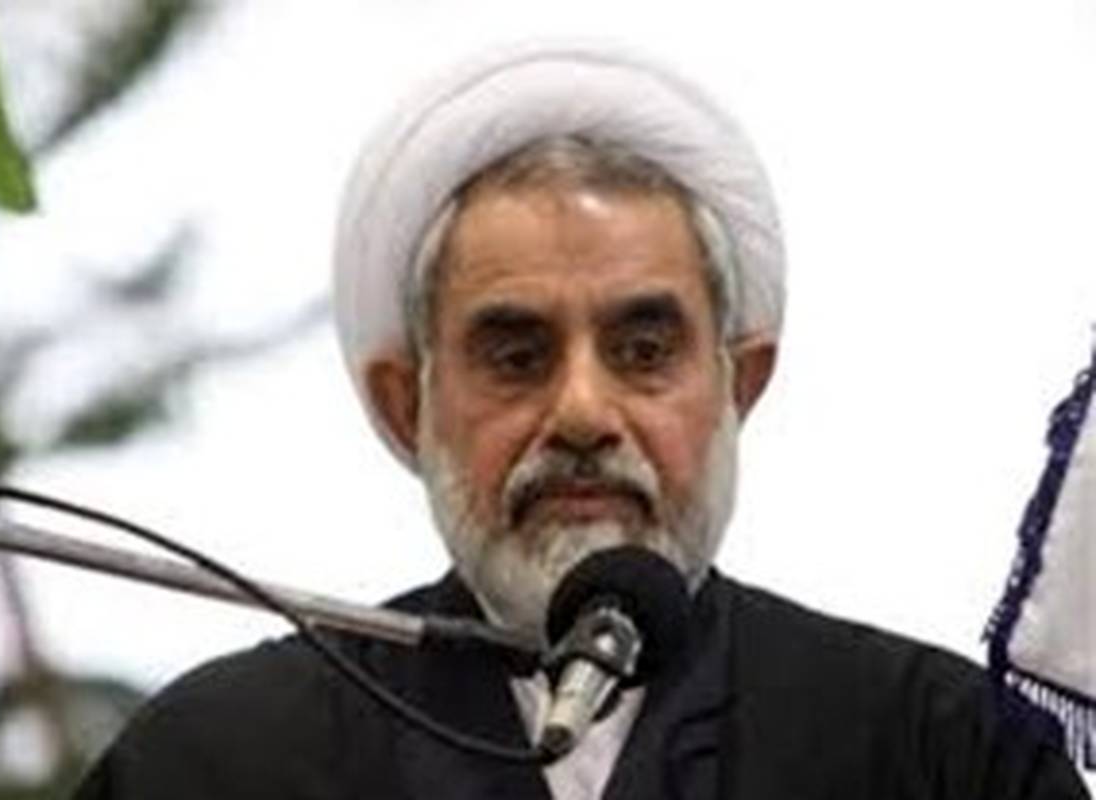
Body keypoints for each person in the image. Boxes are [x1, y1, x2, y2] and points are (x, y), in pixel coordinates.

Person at [74, 44, 1089, 798]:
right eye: (517, 356)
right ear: (406, 403)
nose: (583, 412)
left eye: (643, 350)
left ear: (739, 384)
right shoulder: (219, 759)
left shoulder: (936, 749)